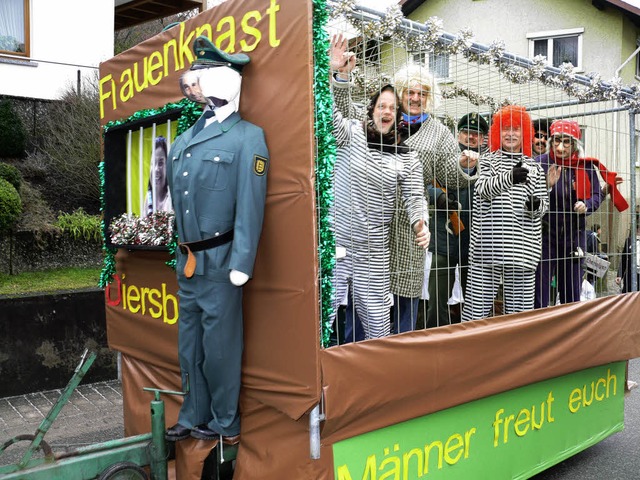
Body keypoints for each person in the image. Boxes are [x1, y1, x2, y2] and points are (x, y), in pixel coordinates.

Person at [330, 34, 475, 335]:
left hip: (409, 232)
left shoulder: (438, 132)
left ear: (429, 97)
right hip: (370, 226)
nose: (415, 98)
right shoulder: (374, 123)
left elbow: (448, 174)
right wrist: (341, 76)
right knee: (364, 301)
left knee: (404, 304)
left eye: (422, 94)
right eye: (409, 92)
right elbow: (342, 113)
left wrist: (462, 167)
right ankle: (357, 351)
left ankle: (398, 359)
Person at [164, 36, 269, 445]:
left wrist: (242, 261)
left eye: (204, 74)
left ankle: (225, 421)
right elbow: (178, 199)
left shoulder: (248, 138)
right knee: (188, 345)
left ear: (225, 79)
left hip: (223, 262)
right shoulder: (186, 139)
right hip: (189, 261)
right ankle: (193, 413)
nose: (195, 83)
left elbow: (251, 204)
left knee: (221, 348)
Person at [330, 83, 430, 339]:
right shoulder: (351, 134)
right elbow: (328, 115)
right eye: (381, 106)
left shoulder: (406, 155)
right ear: (371, 110)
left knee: (378, 324)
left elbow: (415, 195)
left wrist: (421, 223)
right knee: (321, 314)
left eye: (393, 108)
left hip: (373, 250)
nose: (387, 111)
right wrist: (338, 77)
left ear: (398, 116)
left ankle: (378, 376)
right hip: (336, 243)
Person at [462, 105, 548, 321]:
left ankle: (517, 355)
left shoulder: (535, 168)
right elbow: (482, 190)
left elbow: (544, 207)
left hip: (523, 253)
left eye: (516, 129)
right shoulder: (488, 161)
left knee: (519, 320)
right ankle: (469, 354)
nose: (510, 133)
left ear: (525, 133)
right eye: (506, 128)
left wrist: (535, 205)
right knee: (474, 316)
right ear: (497, 133)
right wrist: (510, 177)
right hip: (487, 250)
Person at [534, 120, 606, 308]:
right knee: (540, 287)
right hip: (544, 233)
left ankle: (568, 328)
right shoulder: (539, 163)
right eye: (556, 141)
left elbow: (597, 195)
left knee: (571, 290)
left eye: (566, 142)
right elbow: (529, 195)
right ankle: (539, 326)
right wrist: (546, 186)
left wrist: (587, 204)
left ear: (574, 144)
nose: (560, 146)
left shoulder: (585, 166)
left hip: (574, 235)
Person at [145, 136, 172, 214]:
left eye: (161, 163)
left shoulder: (172, 199)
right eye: (153, 163)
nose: (156, 169)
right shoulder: (148, 198)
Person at [617, 222, 640, 293]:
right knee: (627, 298)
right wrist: (619, 275)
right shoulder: (629, 241)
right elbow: (623, 259)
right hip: (630, 275)